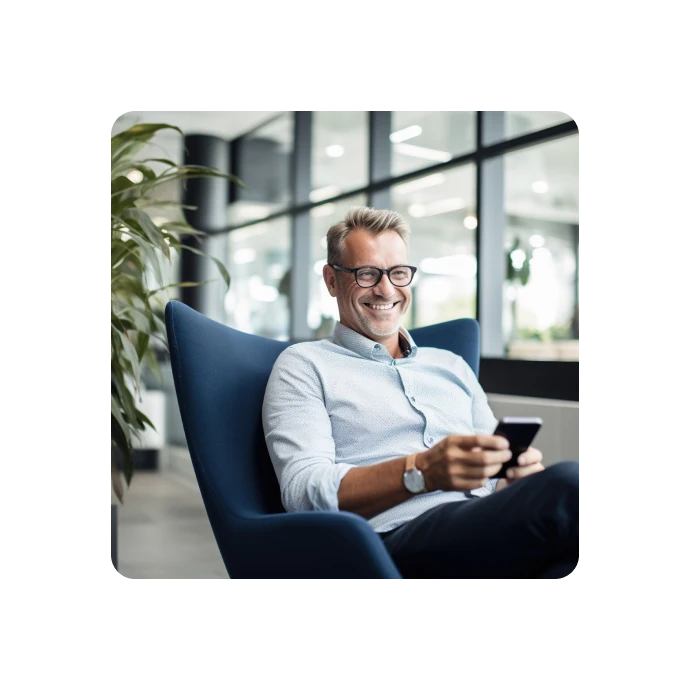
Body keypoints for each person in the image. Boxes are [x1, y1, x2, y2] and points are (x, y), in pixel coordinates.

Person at [262, 207, 582, 582]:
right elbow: (303, 493)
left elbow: (493, 470)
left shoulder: (450, 365)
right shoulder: (303, 365)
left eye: (398, 273)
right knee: (567, 485)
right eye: (366, 274)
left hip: (483, 528)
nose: (386, 289)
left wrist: (510, 479)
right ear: (332, 280)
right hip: (390, 541)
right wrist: (420, 472)